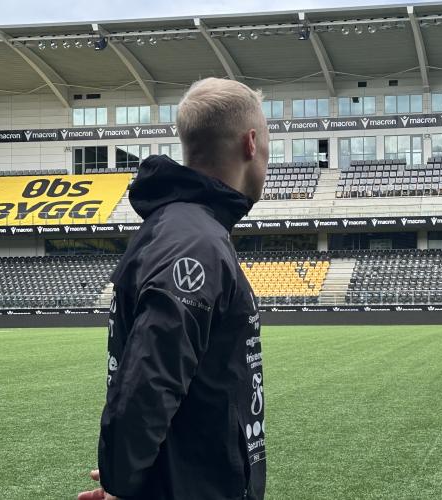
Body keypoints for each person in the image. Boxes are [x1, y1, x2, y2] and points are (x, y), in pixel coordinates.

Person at [78, 77, 269, 500]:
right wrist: (121, 483)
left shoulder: (186, 228)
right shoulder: (193, 240)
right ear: (251, 143)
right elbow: (148, 380)